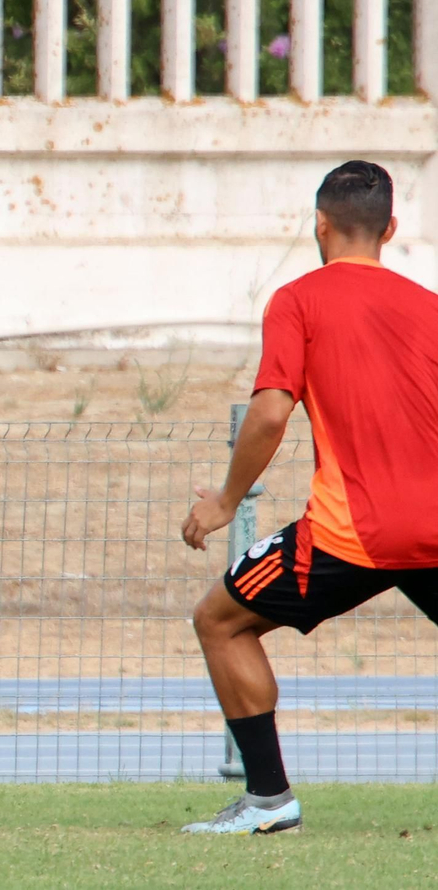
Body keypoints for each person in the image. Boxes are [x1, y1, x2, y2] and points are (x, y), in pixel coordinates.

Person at [180, 160, 438, 834]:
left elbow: (270, 412)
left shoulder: (298, 299)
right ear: (391, 229)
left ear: (319, 225)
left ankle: (268, 800)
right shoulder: (430, 308)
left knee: (220, 621)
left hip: (353, 533)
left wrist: (227, 500)